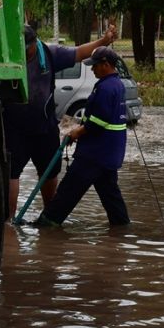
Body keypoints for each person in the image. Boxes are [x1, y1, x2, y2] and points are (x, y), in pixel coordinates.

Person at [4, 24, 117, 221]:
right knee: (11, 174)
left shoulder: (48, 54)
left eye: (27, 50)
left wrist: (104, 41)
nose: (24, 54)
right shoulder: (7, 56)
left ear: (34, 43)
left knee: (49, 172)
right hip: (15, 128)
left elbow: (79, 53)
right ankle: (8, 223)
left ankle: (49, 217)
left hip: (44, 128)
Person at [35, 46, 129, 226]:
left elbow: (98, 122)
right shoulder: (116, 84)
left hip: (94, 154)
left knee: (68, 190)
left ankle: (46, 224)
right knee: (111, 197)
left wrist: (77, 132)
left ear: (106, 65)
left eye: (95, 66)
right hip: (108, 153)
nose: (92, 69)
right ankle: (122, 232)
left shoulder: (106, 88)